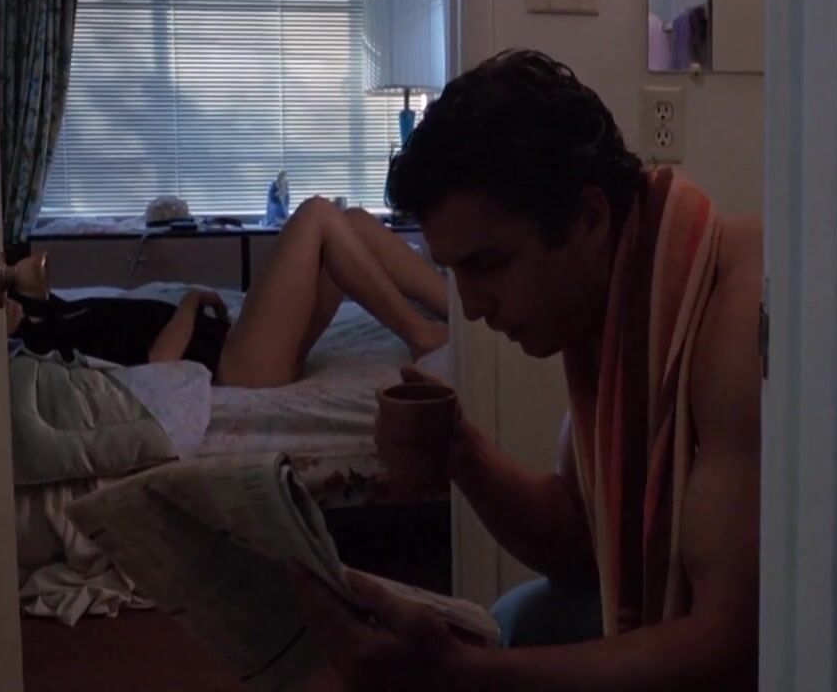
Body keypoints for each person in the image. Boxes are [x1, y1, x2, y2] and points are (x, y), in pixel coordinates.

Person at [290, 49, 763, 690]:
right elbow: (581, 548)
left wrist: (466, 674)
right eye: (453, 272)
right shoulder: (625, 306)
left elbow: (730, 644)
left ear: (589, 217)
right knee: (523, 614)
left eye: (488, 265)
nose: (472, 308)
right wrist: (460, 450)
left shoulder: (736, 322)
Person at [7, 200, 448, 387]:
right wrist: (192, 301)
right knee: (317, 214)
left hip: (238, 344)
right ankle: (419, 335)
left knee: (352, 221)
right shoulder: (50, 345)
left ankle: (456, 310)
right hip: (237, 365)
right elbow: (161, 365)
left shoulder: (60, 315)